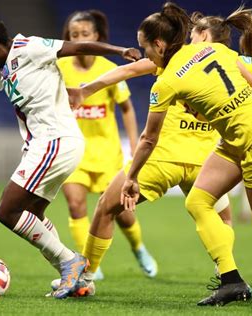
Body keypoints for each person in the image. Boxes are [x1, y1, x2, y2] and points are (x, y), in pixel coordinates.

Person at [0, 13, 141, 299]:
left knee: (7, 211)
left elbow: (77, 47)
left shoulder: (29, 48)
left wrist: (119, 50)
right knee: (32, 215)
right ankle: (77, 279)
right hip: (47, 145)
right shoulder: (0, 68)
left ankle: (70, 262)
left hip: (54, 142)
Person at [118, 1, 252, 306]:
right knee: (198, 201)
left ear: (159, 44)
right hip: (242, 138)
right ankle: (231, 281)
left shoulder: (165, 82)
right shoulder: (219, 51)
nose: (145, 55)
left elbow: (148, 138)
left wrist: (131, 177)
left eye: (145, 48)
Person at [64, 5, 252, 297]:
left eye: (146, 46)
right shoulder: (228, 61)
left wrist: (86, 90)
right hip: (207, 161)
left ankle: (86, 278)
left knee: (107, 207)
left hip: (164, 156)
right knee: (222, 219)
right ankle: (228, 275)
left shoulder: (172, 63)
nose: (145, 53)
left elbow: (128, 71)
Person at [56, 9, 156, 280]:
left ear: (96, 37)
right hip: (72, 150)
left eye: (84, 34)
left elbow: (126, 108)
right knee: (76, 204)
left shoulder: (109, 70)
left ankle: (139, 248)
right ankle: (87, 263)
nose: (79, 39)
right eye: (74, 35)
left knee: (122, 214)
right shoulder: (59, 69)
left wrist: (134, 144)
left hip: (107, 152)